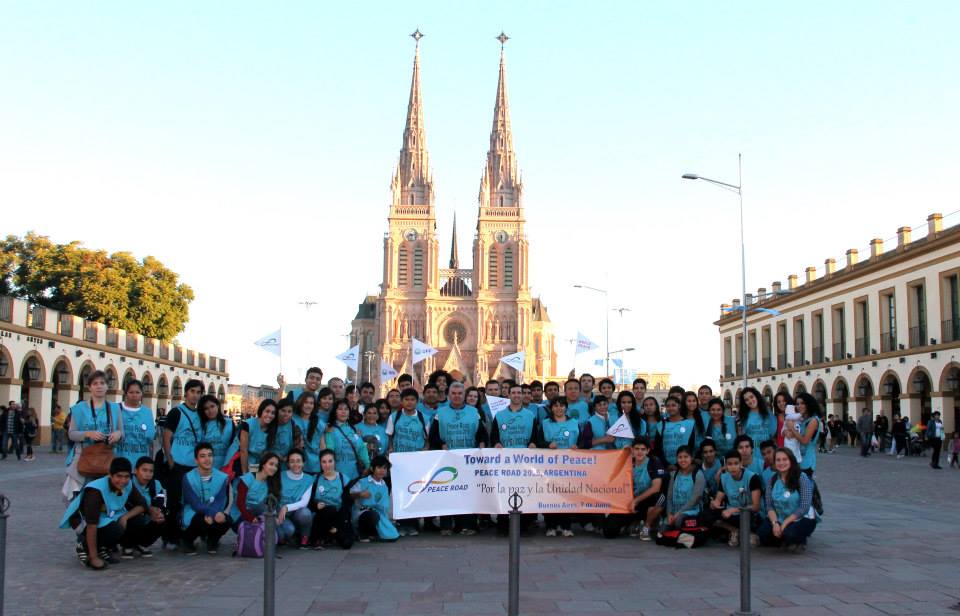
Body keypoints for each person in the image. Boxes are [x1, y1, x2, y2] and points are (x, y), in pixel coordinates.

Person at [59, 457, 148, 570]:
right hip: (84, 521)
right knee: (115, 529)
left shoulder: (128, 484)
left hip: (107, 516)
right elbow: (92, 525)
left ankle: (103, 547)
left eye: (126, 476)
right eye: (119, 476)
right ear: (110, 475)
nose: (123, 481)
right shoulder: (95, 490)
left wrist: (125, 517)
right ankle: (84, 546)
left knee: (137, 520)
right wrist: (94, 558)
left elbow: (142, 504)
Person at [430, 382, 488, 536]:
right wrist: (441, 444)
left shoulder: (474, 412)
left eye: (459, 393)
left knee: (468, 493)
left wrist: (482, 445)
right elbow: (433, 435)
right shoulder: (440, 413)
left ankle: (467, 525)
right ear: (449, 395)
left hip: (468, 460)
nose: (457, 396)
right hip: (447, 460)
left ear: (464, 395)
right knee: (447, 492)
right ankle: (446, 525)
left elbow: (482, 433)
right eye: (454, 393)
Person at [160, 379, 205, 544]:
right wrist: (170, 459)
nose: (195, 395)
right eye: (192, 391)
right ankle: (170, 535)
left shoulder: (200, 414)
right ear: (186, 393)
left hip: (193, 465)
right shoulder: (177, 412)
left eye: (198, 392)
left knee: (190, 501)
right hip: (178, 463)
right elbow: (166, 436)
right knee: (174, 501)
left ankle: (186, 533)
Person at [64, 372, 122, 496]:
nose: (99, 386)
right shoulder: (79, 408)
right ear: (89, 387)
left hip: (107, 458)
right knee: (80, 497)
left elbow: (121, 432)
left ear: (107, 386)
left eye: (102, 383)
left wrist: (117, 434)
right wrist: (88, 434)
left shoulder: (115, 408)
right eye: (95, 383)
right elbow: (71, 434)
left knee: (104, 496)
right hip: (83, 459)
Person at [490, 383, 537, 535]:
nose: (516, 395)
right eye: (514, 393)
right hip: (505, 461)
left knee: (525, 492)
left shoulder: (530, 415)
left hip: (525, 462)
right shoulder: (500, 415)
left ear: (523, 395)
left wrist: (533, 443)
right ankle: (503, 525)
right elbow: (494, 436)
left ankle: (524, 526)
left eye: (519, 393)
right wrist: (496, 443)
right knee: (504, 492)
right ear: (509, 395)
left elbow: (535, 436)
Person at [602, 437, 665, 540]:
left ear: (648, 451)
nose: (639, 452)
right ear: (632, 450)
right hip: (629, 501)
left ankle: (646, 526)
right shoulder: (627, 462)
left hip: (645, 500)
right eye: (637, 449)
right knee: (609, 532)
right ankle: (633, 523)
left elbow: (656, 487)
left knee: (660, 498)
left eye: (643, 449)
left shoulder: (653, 462)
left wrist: (635, 501)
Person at [757, 448, 818, 552]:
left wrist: (785, 523)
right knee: (763, 534)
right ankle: (783, 539)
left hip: (801, 518)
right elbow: (769, 506)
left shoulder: (802, 478)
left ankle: (798, 540)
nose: (781, 463)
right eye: (778, 460)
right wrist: (775, 523)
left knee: (790, 534)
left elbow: (804, 507)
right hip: (779, 517)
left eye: (785, 459)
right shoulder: (772, 480)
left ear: (791, 460)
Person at [537, 397, 581, 536]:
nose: (559, 408)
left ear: (566, 407)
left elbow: (581, 441)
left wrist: (577, 446)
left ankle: (566, 526)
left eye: (561, 405)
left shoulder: (574, 422)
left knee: (566, 495)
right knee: (550, 495)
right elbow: (538, 441)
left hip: (569, 465)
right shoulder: (545, 423)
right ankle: (551, 526)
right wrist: (547, 444)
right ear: (551, 408)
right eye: (555, 406)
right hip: (550, 465)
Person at [181, 442, 232, 555]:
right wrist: (212, 514)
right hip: (194, 512)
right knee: (200, 520)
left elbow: (219, 501)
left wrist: (215, 514)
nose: (207, 459)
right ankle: (188, 541)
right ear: (196, 460)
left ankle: (212, 540)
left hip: (213, 510)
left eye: (210, 455)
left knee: (227, 520)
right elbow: (195, 504)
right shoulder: (188, 477)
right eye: (202, 456)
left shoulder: (222, 477)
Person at [710, 451, 762, 547]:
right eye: (730, 464)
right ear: (726, 466)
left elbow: (756, 507)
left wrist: (733, 510)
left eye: (736, 463)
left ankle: (739, 534)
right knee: (707, 516)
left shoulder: (752, 477)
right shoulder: (724, 477)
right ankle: (737, 531)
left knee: (749, 519)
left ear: (741, 464)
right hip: (730, 514)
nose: (733, 467)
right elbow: (718, 499)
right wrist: (714, 504)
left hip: (747, 513)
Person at [309, 449, 354, 549]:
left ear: (335, 462)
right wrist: (316, 506)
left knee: (347, 543)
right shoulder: (315, 479)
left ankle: (332, 531)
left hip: (339, 516)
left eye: (330, 461)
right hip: (320, 516)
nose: (327, 465)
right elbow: (308, 502)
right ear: (320, 463)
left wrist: (338, 524)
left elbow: (347, 504)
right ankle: (322, 537)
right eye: (324, 462)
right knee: (329, 510)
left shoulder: (343, 479)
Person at [124, 456, 167, 558]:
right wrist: (147, 510)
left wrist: (158, 513)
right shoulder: (128, 482)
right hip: (128, 517)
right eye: (144, 470)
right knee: (136, 518)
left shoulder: (156, 484)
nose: (148, 474)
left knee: (163, 519)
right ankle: (127, 545)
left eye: (151, 471)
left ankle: (142, 544)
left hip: (147, 517)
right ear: (135, 470)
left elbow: (160, 502)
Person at [663, 446, 705, 548]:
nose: (683, 460)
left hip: (691, 511)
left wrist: (678, 513)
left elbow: (695, 499)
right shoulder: (674, 474)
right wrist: (669, 514)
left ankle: (678, 537)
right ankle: (682, 538)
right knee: (662, 529)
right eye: (680, 457)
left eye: (686, 457)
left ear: (691, 458)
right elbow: (669, 497)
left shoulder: (698, 474)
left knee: (678, 522)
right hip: (675, 512)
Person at [350, 455, 399, 543]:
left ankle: (373, 533)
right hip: (361, 513)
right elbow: (349, 494)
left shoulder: (384, 486)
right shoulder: (363, 482)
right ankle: (361, 533)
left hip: (379, 513)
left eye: (385, 468)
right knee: (372, 516)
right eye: (379, 467)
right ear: (372, 469)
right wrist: (360, 494)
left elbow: (385, 505)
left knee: (390, 531)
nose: (382, 470)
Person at [230, 452, 282, 533]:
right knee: (252, 531)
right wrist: (250, 518)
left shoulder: (270, 482)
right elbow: (240, 503)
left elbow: (267, 506)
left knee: (280, 533)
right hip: (240, 514)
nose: (274, 468)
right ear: (263, 464)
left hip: (257, 514)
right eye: (271, 464)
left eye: (276, 466)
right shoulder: (248, 478)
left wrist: (274, 517)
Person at [321, 399, 369, 482]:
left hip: (355, 475)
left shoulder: (354, 429)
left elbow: (362, 448)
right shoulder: (330, 429)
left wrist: (368, 465)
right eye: (340, 409)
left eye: (346, 409)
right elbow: (330, 451)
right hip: (337, 475)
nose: (343, 412)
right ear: (335, 412)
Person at [114, 380, 156, 467]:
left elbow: (151, 437)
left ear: (141, 394)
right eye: (131, 392)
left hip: (140, 461)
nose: (134, 395)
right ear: (126, 393)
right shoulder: (115, 408)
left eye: (137, 392)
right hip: (120, 460)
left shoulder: (147, 412)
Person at [278, 449, 315, 547]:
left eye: (298, 461)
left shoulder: (308, 479)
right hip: (280, 513)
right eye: (292, 461)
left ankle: (305, 537)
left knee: (305, 513)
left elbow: (304, 502)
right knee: (289, 530)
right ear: (288, 464)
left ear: (303, 463)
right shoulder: (280, 476)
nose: (295, 464)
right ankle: (288, 536)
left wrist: (286, 507)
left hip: (296, 513)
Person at [784, 393, 822, 476]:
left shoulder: (813, 420)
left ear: (809, 404)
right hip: (797, 458)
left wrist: (792, 428)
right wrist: (786, 431)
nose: (799, 406)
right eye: (797, 404)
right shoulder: (801, 420)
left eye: (802, 403)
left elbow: (805, 441)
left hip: (806, 460)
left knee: (804, 483)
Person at [197, 394, 236, 470]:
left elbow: (234, 447)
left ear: (217, 406)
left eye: (212, 406)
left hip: (226, 468)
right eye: (206, 408)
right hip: (205, 469)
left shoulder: (229, 423)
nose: (210, 411)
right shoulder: (200, 425)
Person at [239, 399, 277, 473]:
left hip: (257, 462)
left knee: (254, 477)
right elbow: (243, 450)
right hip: (242, 459)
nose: (270, 415)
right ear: (261, 411)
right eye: (267, 411)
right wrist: (245, 472)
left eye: (273, 413)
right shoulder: (248, 424)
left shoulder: (272, 428)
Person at [293, 392, 326, 474]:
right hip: (298, 464)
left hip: (316, 465)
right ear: (300, 403)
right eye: (306, 402)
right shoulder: (293, 419)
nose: (308, 405)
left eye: (311, 403)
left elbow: (322, 445)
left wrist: (324, 463)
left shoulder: (318, 422)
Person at [661, 396, 695, 468]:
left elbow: (691, 445)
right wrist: (667, 464)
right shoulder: (660, 424)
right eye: (668, 406)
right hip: (666, 466)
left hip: (684, 464)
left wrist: (678, 464)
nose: (671, 408)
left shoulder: (689, 423)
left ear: (679, 406)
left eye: (673, 405)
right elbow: (658, 446)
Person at [267, 398, 302, 464]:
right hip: (269, 462)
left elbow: (298, 446)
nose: (286, 414)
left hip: (287, 464)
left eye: (289, 412)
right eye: (283, 410)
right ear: (277, 410)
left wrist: (288, 457)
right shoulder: (269, 423)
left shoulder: (294, 426)